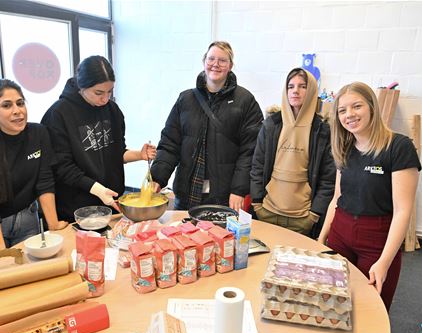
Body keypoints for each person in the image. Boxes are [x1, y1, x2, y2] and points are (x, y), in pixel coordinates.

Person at [318, 82, 421, 312]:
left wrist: (384, 262)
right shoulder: (344, 147)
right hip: (340, 233)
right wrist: (321, 239)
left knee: (371, 310)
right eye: (342, 110)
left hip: (377, 241)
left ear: (372, 107)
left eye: (356, 106)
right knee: (331, 303)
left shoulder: (398, 147)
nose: (349, 115)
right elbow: (337, 199)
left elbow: (403, 210)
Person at [150, 41, 263, 211]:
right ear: (204, 62)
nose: (215, 64)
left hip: (224, 196)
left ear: (230, 65)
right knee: (184, 236)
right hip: (187, 193)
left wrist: (239, 190)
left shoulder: (245, 101)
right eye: (211, 59)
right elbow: (170, 143)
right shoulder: (185, 99)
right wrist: (157, 178)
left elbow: (250, 151)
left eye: (222, 60)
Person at [41, 55, 156, 222]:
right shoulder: (58, 114)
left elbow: (116, 153)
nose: (105, 98)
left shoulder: (112, 110)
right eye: (98, 93)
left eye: (110, 91)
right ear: (82, 86)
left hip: (111, 203)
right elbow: (62, 167)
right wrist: (97, 190)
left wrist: (139, 154)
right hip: (76, 209)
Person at [0, 78, 68, 258]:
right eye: (7, 105)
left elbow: (44, 181)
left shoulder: (39, 133)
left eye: (20, 103)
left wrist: (53, 224)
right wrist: (0, 245)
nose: (17, 111)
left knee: (30, 274)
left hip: (27, 221)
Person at [250, 68, 335, 238]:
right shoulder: (271, 125)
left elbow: (328, 178)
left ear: (311, 91)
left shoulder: (322, 131)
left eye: (302, 86)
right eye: (291, 86)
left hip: (302, 218)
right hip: (267, 212)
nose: (295, 90)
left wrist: (314, 214)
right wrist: (257, 204)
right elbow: (257, 167)